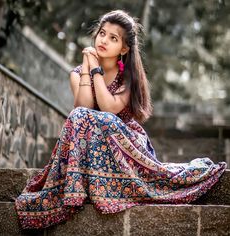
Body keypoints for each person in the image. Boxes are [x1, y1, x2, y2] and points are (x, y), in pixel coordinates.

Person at [15, 10, 227, 229]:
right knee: (79, 116)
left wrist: (95, 68)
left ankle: (102, 187)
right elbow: (83, 107)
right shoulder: (78, 73)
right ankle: (79, 187)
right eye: (102, 34)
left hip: (126, 147)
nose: (104, 40)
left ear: (124, 49)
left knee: (102, 119)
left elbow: (109, 109)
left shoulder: (127, 77)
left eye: (113, 38)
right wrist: (88, 68)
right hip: (92, 147)